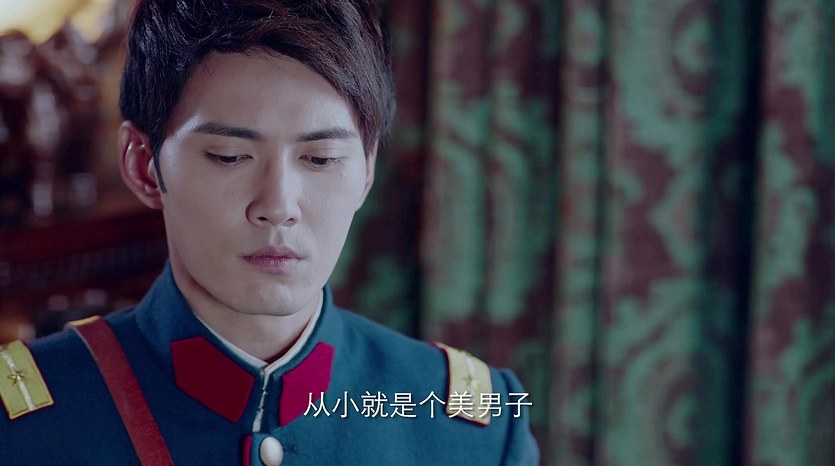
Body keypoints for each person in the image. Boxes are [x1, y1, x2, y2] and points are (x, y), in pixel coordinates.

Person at [0, 1, 540, 464]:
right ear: (143, 165)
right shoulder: (23, 427)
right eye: (229, 156)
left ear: (367, 170)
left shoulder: (469, 431)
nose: (278, 207)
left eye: (321, 158)